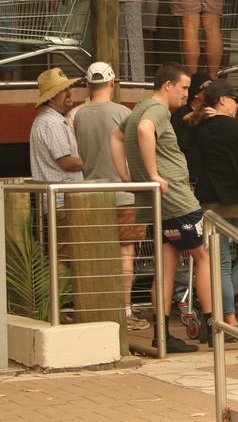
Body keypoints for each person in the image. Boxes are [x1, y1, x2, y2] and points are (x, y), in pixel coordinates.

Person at [109, 63, 212, 353]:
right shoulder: (155, 111)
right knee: (204, 256)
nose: (186, 94)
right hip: (176, 198)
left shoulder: (139, 107)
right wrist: (153, 174)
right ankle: (213, 325)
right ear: (167, 85)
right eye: (183, 88)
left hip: (157, 202)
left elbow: (115, 137)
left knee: (166, 263)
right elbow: (144, 130)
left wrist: (126, 175)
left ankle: (163, 333)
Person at [70, 62, 148, 331]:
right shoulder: (123, 112)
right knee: (126, 250)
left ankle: (99, 309)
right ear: (113, 83)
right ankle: (125, 310)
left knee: (97, 253)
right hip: (123, 192)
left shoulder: (76, 115)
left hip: (91, 193)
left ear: (88, 85)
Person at [193, 78, 238, 340]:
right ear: (222, 100)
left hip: (207, 204)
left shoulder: (198, 129)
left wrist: (199, 115)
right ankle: (227, 315)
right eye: (234, 100)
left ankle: (227, 318)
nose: (237, 105)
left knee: (220, 263)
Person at [30, 69, 84, 262]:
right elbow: (67, 162)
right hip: (62, 204)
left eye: (68, 88)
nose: (69, 93)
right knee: (65, 259)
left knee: (65, 258)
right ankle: (62, 293)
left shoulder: (50, 120)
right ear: (51, 97)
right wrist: (93, 163)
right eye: (64, 90)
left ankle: (62, 293)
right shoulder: (51, 123)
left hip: (59, 203)